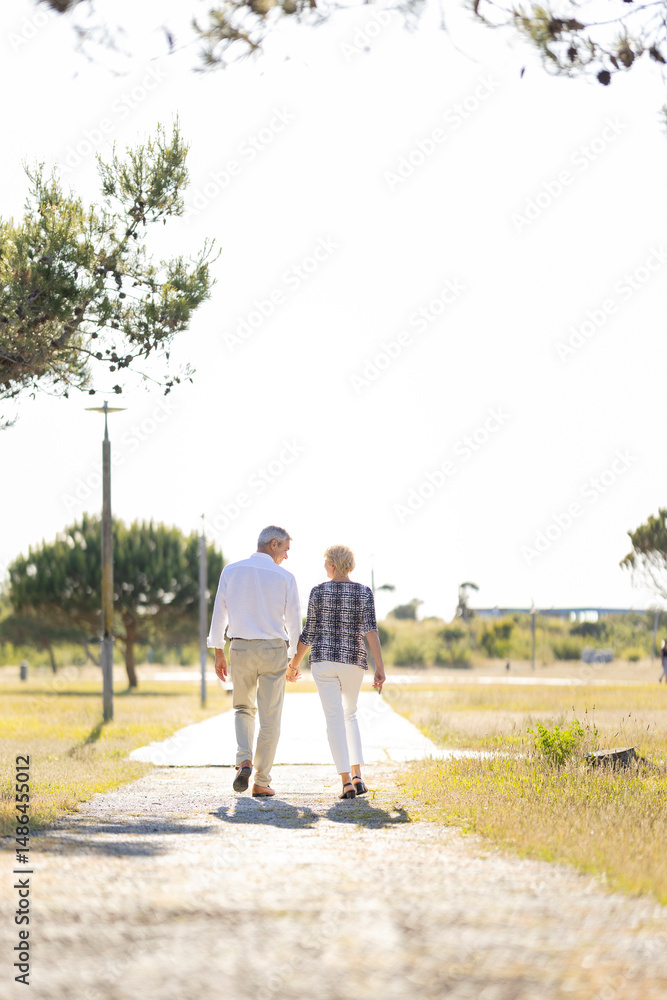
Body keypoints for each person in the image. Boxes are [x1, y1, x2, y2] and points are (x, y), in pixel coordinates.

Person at [207, 526, 301, 797]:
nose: (286, 556)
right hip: (274, 650)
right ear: (273, 545)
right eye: (285, 550)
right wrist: (294, 661)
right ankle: (261, 781)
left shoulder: (231, 570)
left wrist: (218, 651)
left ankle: (243, 760)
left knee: (243, 709)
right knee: (271, 719)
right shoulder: (285, 577)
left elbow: (219, 612)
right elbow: (295, 622)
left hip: (241, 648)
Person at [289, 544, 386, 800]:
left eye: (325, 562)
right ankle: (357, 775)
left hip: (323, 661)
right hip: (353, 661)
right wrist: (380, 667)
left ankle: (346, 783)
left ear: (332, 565)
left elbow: (308, 633)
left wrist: (294, 664)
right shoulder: (364, 592)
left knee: (334, 719)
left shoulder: (318, 592)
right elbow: (371, 631)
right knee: (350, 715)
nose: (324, 567)